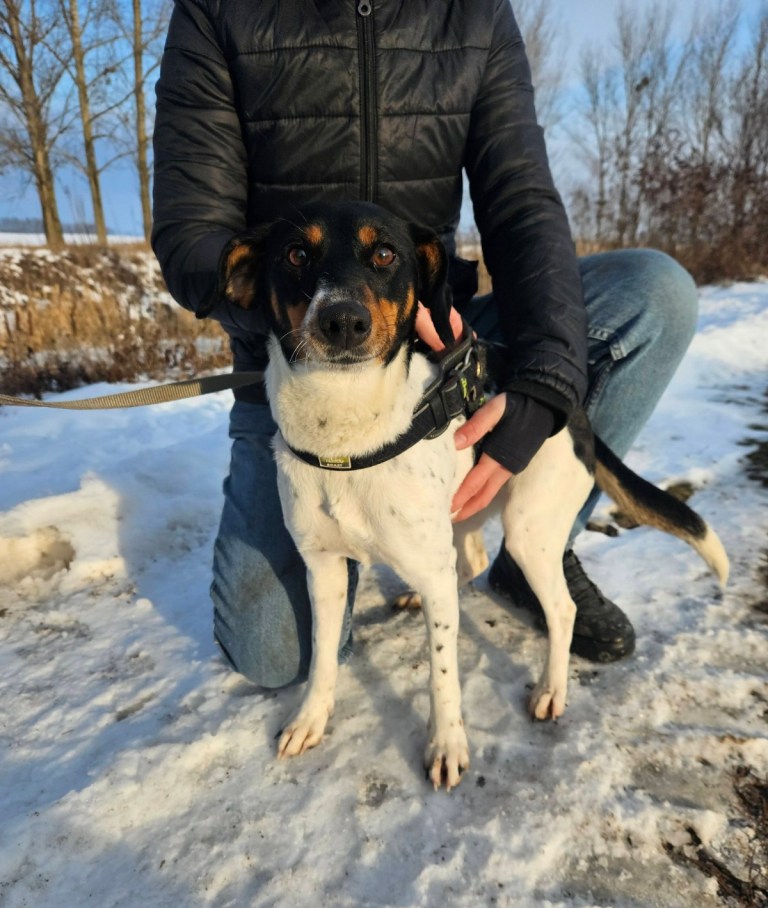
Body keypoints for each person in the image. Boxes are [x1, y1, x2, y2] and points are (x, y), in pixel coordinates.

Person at [152, 1, 697, 685]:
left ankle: (534, 545)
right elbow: (193, 234)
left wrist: (545, 378)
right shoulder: (216, 9)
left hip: (438, 345)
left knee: (656, 291)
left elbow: (521, 203)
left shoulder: (475, 11)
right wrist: (294, 316)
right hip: (293, 368)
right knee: (275, 654)